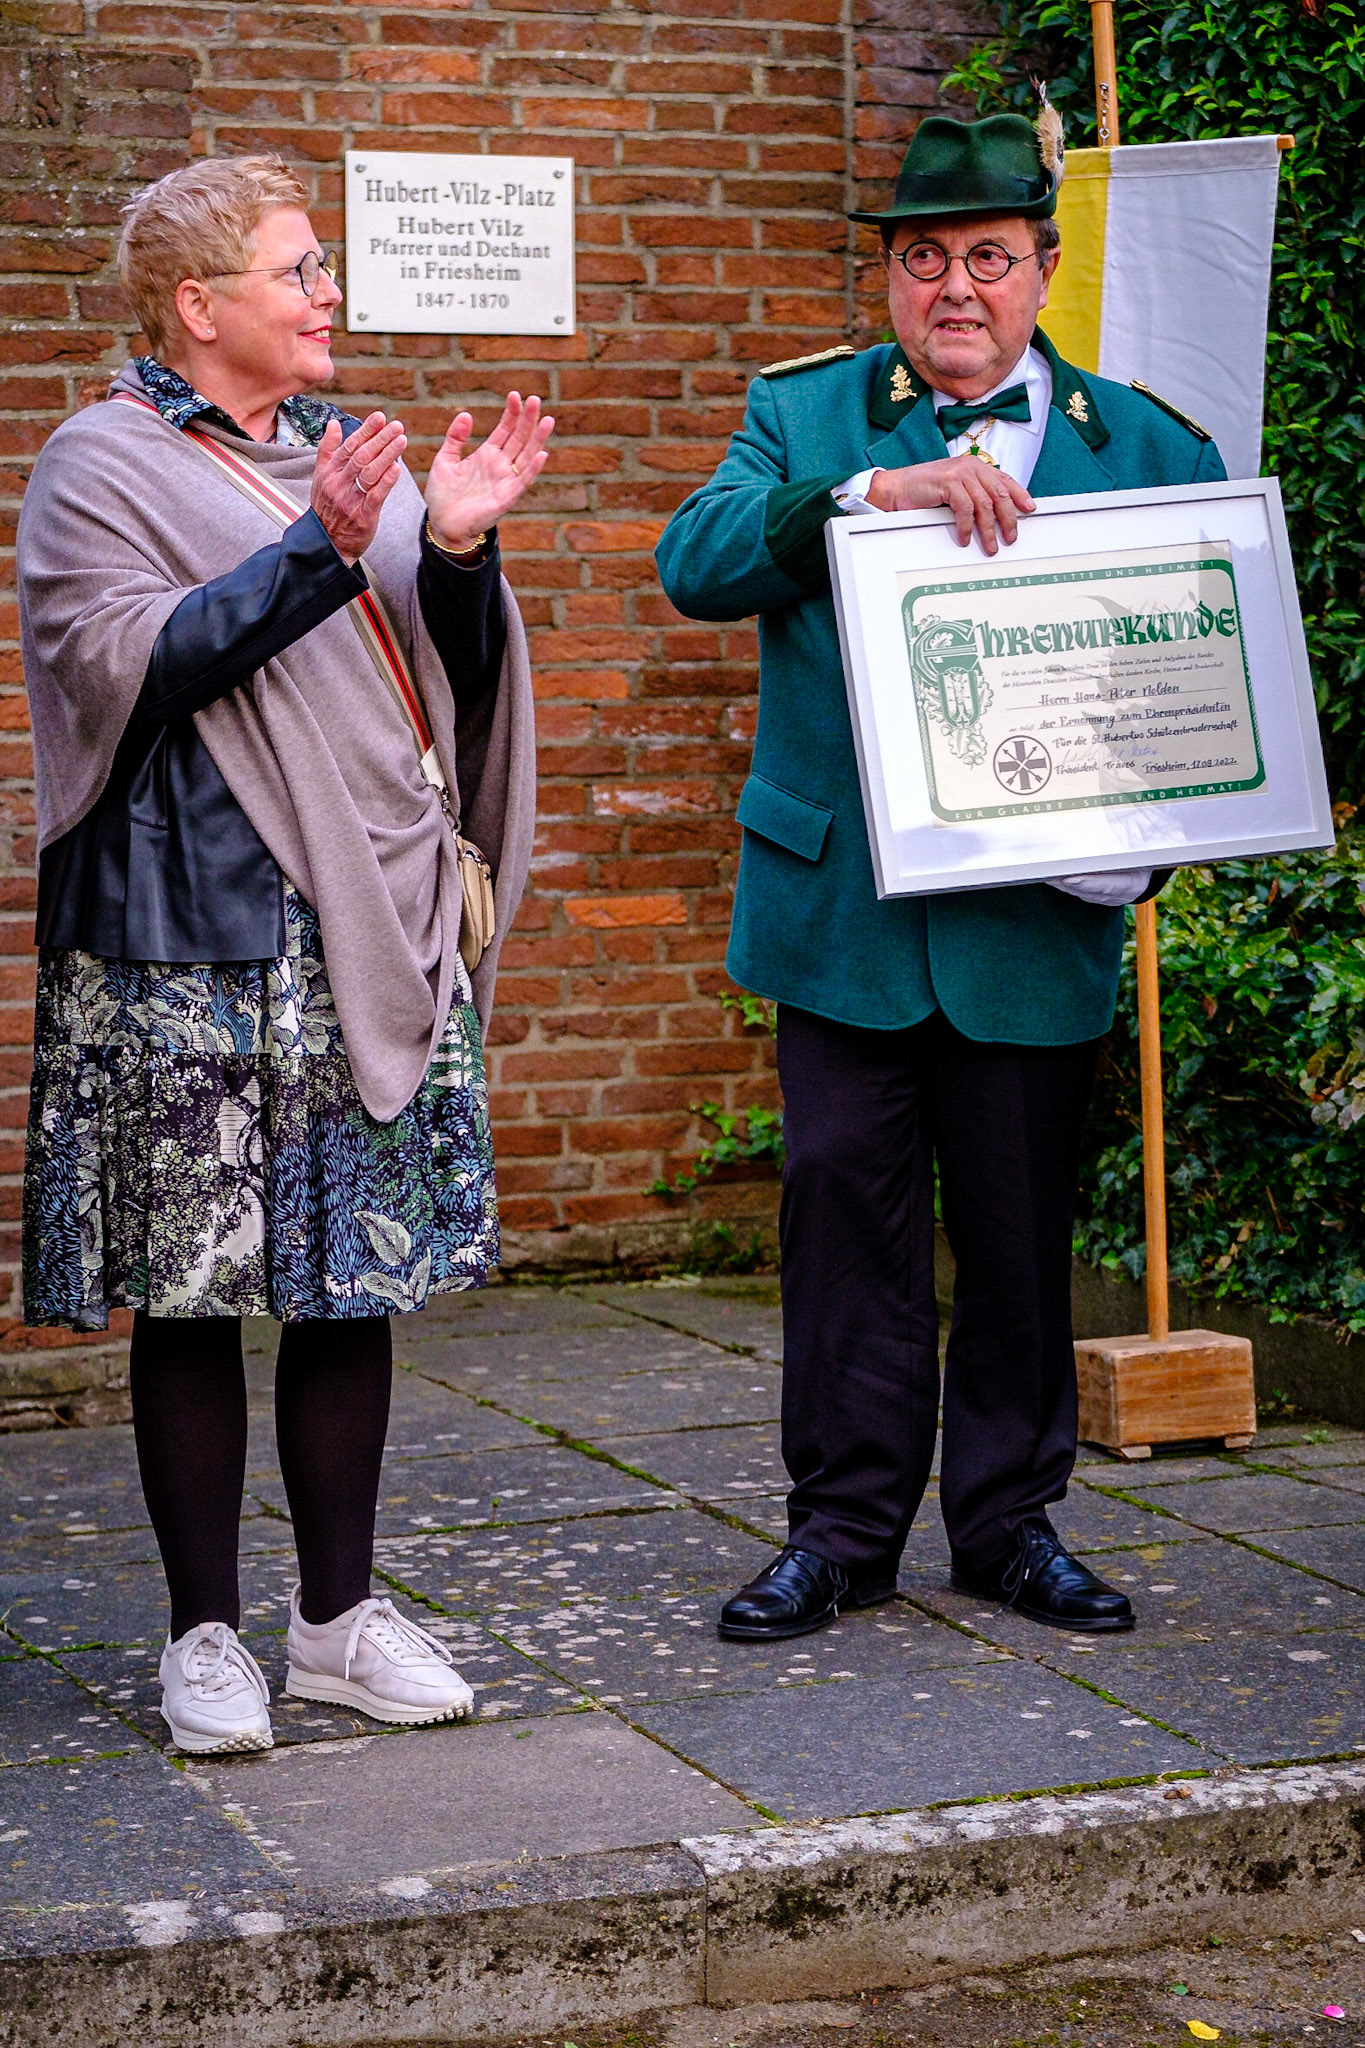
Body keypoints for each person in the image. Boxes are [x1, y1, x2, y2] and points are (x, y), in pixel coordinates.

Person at [656, 113, 1226, 1642]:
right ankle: (838, 1534)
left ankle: (1008, 1525)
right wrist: (861, 501)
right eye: (923, 258)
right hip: (840, 913)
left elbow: (1198, 683)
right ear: (890, 281)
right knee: (843, 1227)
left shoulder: (1152, 447)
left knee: (1021, 1231)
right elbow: (694, 563)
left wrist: (1144, 847)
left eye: (987, 256)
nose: (954, 285)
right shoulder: (808, 419)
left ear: (1043, 269)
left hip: (1035, 924)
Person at [17, 156, 552, 1752]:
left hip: (358, 923)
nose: (327, 297)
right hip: (181, 931)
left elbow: (442, 689)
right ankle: (202, 1635)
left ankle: (334, 1620)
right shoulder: (92, 463)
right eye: (296, 272)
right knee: (189, 1297)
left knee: (349, 1287)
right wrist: (319, 550)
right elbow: (132, 663)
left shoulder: (350, 452)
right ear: (200, 307)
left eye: (322, 270)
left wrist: (452, 551)